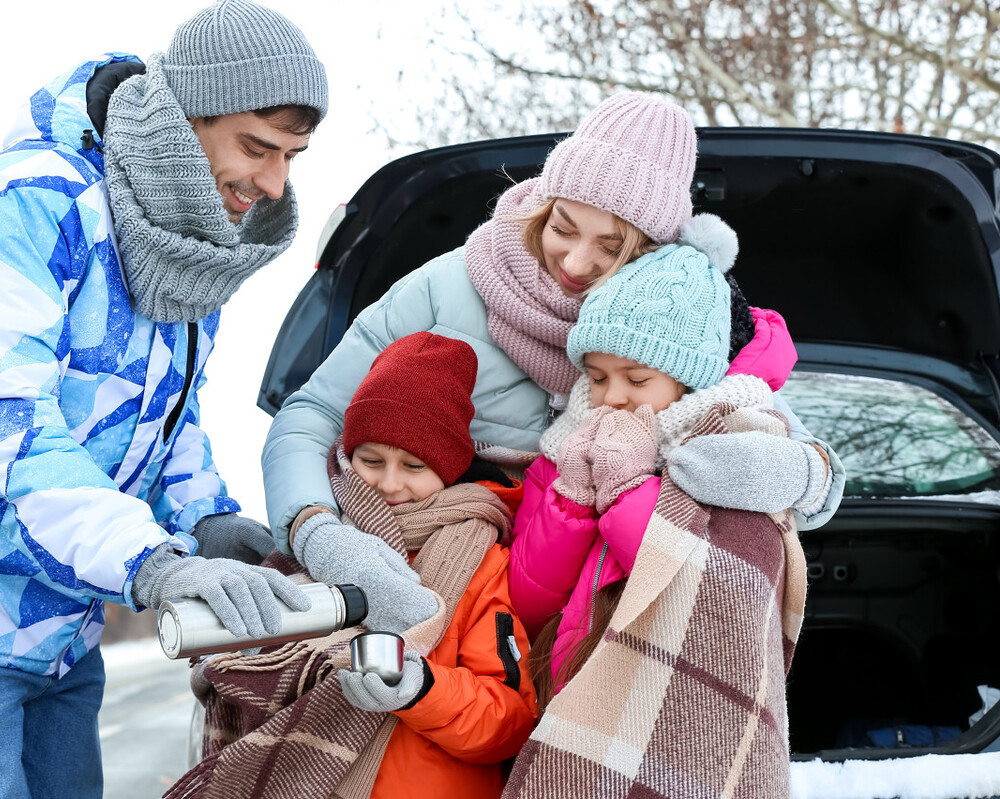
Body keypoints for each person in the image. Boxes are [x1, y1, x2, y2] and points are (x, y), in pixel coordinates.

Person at [0, 1, 326, 796]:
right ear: (183, 118)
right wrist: (150, 558)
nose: (272, 185)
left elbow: (168, 414)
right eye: (256, 148)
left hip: (65, 609)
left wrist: (203, 517)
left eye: (292, 157)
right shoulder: (28, 202)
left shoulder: (185, 238)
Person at [261, 91, 845, 635]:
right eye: (563, 227)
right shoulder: (446, 287)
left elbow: (799, 455)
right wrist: (316, 529)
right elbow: (310, 415)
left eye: (613, 247)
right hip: (442, 576)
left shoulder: (678, 315)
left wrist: (792, 474)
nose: (577, 260)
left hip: (604, 614)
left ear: (653, 247)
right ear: (543, 202)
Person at [504, 238, 809, 798]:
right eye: (596, 378)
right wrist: (572, 498)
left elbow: (693, 585)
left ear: (688, 378)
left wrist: (627, 488)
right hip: (564, 695)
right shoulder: (567, 451)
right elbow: (529, 600)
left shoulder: (734, 445)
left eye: (636, 378)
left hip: (669, 724)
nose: (611, 398)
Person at [174, 332, 538, 799]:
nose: (389, 483)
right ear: (347, 454)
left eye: (414, 466)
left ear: (448, 470)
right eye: (371, 459)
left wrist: (420, 688)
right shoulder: (315, 543)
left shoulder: (480, 563)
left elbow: (509, 721)